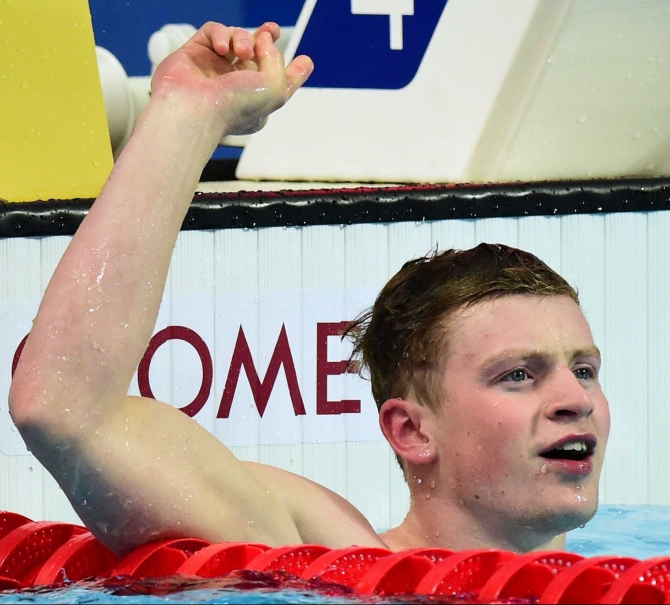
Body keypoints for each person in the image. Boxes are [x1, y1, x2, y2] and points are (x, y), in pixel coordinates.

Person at [8, 22, 610, 557]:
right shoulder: (326, 558)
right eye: (518, 375)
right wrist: (187, 116)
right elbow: (62, 409)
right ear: (412, 431)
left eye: (583, 370)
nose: (574, 399)